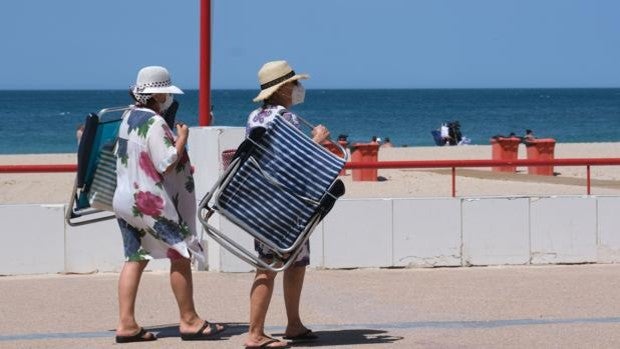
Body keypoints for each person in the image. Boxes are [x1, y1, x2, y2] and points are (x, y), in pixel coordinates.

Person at [112, 66, 225, 343]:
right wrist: (183, 139)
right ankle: (189, 320)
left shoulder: (128, 117)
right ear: (158, 93)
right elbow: (165, 161)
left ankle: (126, 324)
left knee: (135, 257)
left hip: (126, 197)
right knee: (181, 253)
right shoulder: (154, 122)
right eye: (165, 92)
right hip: (150, 201)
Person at [243, 60, 329, 349]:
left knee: (292, 262)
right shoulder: (286, 119)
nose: (297, 88)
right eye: (293, 84)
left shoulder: (255, 117)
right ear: (281, 90)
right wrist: (316, 141)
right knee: (270, 265)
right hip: (284, 205)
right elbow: (294, 164)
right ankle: (255, 334)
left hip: (260, 201)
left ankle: (294, 324)